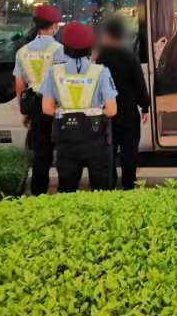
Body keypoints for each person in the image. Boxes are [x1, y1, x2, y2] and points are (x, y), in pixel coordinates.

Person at [41, 22, 118, 192]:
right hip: (96, 139)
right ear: (91, 47)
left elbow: (47, 108)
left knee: (67, 191)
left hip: (66, 139)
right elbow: (112, 110)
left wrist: (67, 113)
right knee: (102, 192)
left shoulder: (54, 72)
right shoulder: (101, 72)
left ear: (65, 48)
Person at [14, 5, 65, 196]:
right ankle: (65, 193)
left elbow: (19, 84)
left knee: (40, 156)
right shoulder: (59, 50)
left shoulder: (22, 51)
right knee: (63, 154)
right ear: (54, 26)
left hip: (35, 107)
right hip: (56, 106)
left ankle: (38, 195)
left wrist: (24, 110)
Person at [97, 15, 150, 190]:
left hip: (105, 114)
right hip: (128, 114)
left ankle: (110, 187)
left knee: (108, 154)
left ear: (106, 34)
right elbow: (139, 84)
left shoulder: (98, 57)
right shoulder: (129, 56)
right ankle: (128, 187)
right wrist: (145, 107)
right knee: (129, 154)